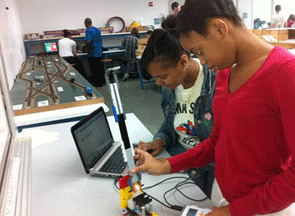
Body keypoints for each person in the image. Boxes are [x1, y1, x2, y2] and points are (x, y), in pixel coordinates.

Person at [133, 0, 295, 215]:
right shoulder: (224, 74)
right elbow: (217, 140)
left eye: (199, 51)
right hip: (224, 196)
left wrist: (234, 211)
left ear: (220, 28)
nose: (201, 61)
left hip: (264, 207)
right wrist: (167, 165)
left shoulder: (285, 73)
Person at [138, 15, 216, 199]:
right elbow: (171, 122)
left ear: (183, 62)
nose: (159, 83)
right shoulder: (170, 88)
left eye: (163, 76)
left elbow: (219, 148)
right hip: (177, 157)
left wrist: (169, 165)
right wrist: (160, 141)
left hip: (206, 165)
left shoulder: (214, 86)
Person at [84, 18, 104, 87]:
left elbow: (88, 41)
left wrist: (86, 48)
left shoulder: (88, 31)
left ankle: (97, 83)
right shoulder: (97, 30)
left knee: (94, 69)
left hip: (92, 53)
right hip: (99, 52)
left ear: (86, 23)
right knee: (99, 68)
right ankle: (101, 82)